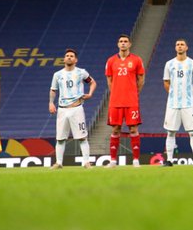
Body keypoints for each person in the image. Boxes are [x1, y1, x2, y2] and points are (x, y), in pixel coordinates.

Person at [49, 49, 96, 169]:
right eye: (67, 56)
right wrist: (51, 103)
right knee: (60, 138)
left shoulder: (81, 72)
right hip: (62, 109)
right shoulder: (57, 74)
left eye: (71, 56)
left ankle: (86, 162)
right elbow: (53, 90)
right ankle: (59, 163)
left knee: (82, 137)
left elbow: (93, 82)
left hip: (76, 108)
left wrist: (90, 94)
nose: (69, 57)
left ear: (76, 60)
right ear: (64, 59)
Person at [105, 34, 145, 168]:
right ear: (118, 44)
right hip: (115, 102)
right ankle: (112, 161)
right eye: (121, 41)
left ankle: (135, 161)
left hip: (131, 101)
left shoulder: (137, 60)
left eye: (125, 41)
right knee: (115, 129)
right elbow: (109, 81)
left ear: (130, 44)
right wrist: (116, 92)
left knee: (133, 129)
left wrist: (134, 92)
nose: (123, 43)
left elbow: (141, 79)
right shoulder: (111, 61)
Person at [162, 39, 193, 167]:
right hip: (173, 104)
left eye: (182, 44)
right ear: (175, 48)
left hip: (189, 104)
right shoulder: (169, 64)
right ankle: (169, 160)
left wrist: (190, 94)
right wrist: (173, 94)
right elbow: (166, 82)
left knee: (192, 132)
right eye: (177, 44)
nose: (179, 46)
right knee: (170, 132)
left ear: (186, 47)